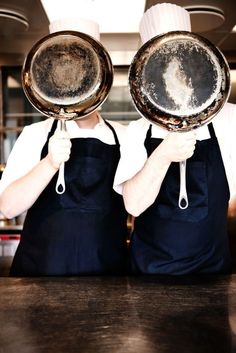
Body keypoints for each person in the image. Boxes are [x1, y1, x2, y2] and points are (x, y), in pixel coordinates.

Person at [114, 3, 236, 275]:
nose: (175, 74)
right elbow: (133, 204)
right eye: (162, 65)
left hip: (213, 277)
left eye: (182, 62)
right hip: (148, 277)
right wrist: (163, 155)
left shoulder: (228, 119)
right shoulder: (137, 130)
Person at [0, 19, 128, 276]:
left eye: (83, 67)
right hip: (40, 275)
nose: (73, 77)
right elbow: (7, 207)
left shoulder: (124, 136)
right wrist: (49, 164)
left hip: (108, 280)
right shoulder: (34, 134)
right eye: (64, 67)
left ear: (100, 74)